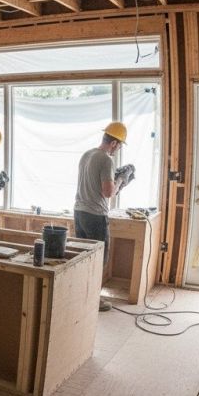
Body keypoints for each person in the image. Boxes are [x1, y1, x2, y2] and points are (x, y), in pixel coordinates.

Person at [74, 121, 129, 312]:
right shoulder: (106, 160)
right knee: (98, 260)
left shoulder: (87, 154)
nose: (118, 149)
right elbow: (107, 192)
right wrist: (121, 180)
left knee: (82, 258)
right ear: (113, 143)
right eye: (119, 145)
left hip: (79, 213)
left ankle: (80, 296)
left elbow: (92, 184)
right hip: (95, 215)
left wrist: (115, 178)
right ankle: (93, 302)